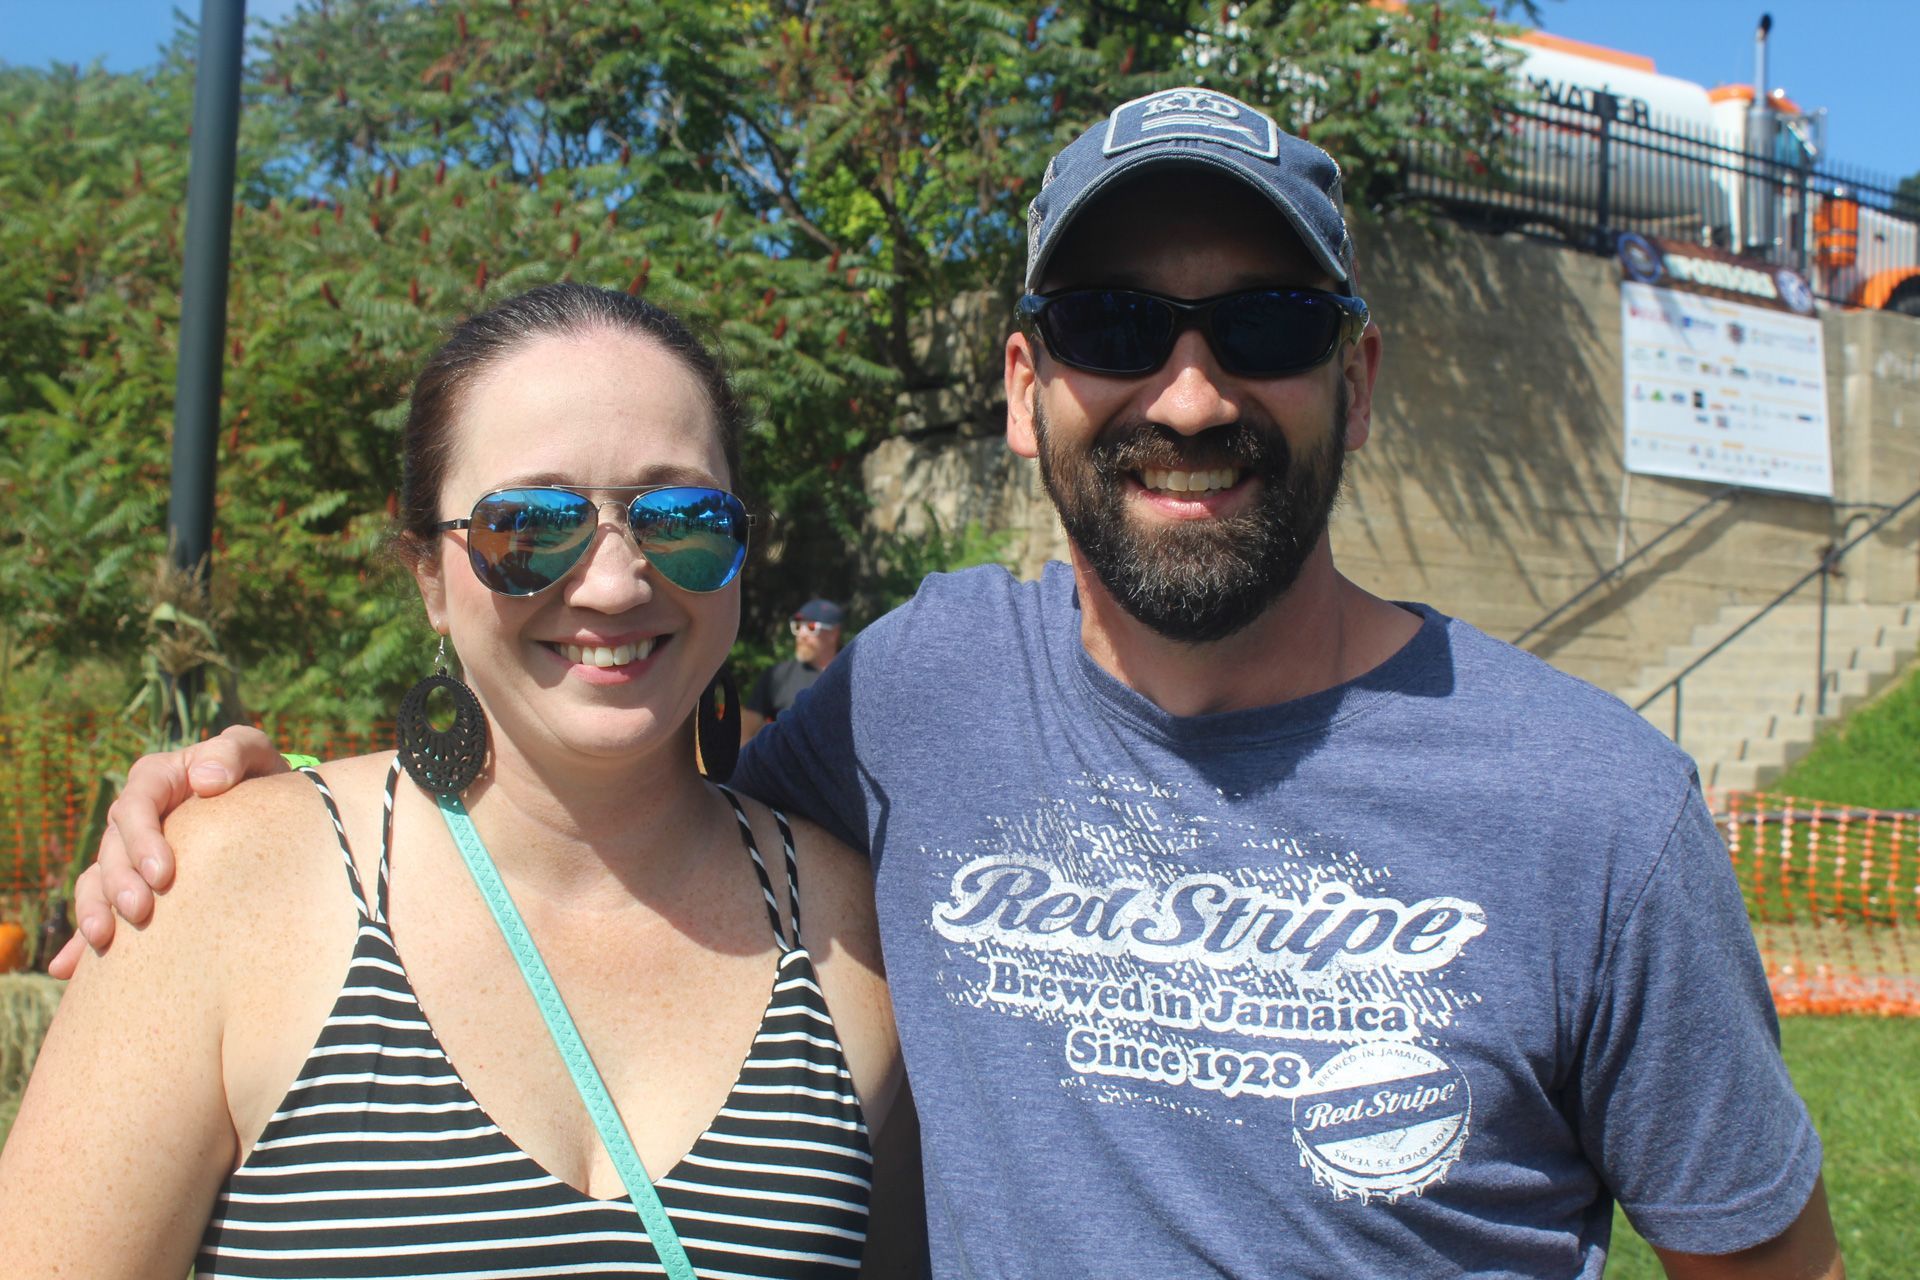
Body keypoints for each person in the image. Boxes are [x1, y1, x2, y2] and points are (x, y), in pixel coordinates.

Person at [57, 89, 1841, 1280]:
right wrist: (268, 798)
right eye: (1116, 329)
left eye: (1270, 329)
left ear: (1358, 381)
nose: (1193, 395)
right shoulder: (920, 700)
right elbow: (596, 746)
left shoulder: (1596, 812)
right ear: (1021, 385)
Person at [1, 284, 913, 1278]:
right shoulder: (223, 887)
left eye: (681, 517)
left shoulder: (851, 933)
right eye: (529, 528)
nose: (614, 583)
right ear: (429, 574)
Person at [742, 598, 845, 741]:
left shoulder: (851, 677)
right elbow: (744, 732)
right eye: (798, 626)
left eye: (811, 627)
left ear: (834, 633)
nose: (801, 635)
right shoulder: (778, 676)